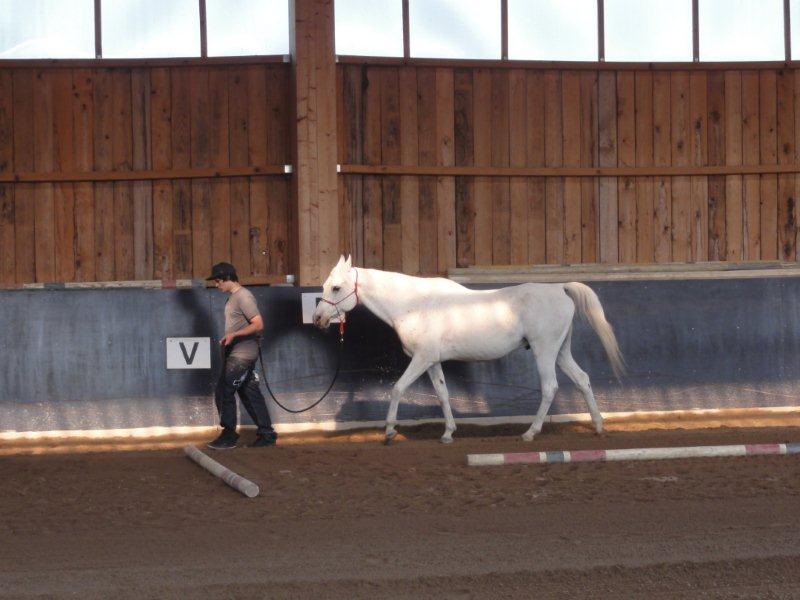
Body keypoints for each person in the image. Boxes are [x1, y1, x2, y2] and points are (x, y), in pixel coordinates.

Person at [205, 262, 277, 450]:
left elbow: (258, 324)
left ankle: (229, 435)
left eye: (218, 281)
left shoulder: (243, 296)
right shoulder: (233, 297)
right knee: (249, 392)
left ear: (228, 278)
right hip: (239, 352)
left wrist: (234, 335)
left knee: (224, 391)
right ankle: (267, 434)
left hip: (242, 354)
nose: (216, 285)